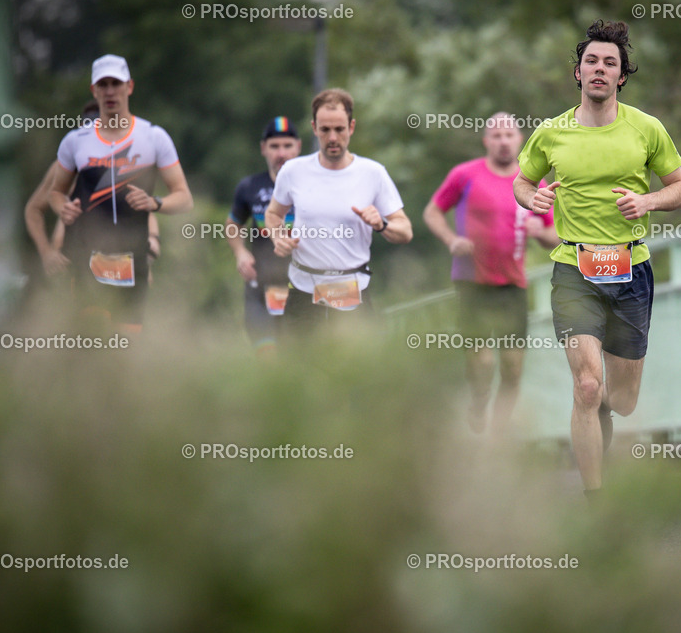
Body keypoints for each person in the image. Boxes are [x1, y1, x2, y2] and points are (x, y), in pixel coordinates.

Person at [513, 20, 681, 498]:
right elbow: (522, 180)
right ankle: (595, 499)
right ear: (577, 72)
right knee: (587, 387)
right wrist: (531, 199)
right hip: (574, 268)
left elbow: (680, 189)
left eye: (609, 63)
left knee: (623, 401)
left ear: (621, 77)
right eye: (591, 61)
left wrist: (648, 202)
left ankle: (607, 413)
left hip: (630, 269)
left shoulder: (646, 128)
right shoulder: (552, 133)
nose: (599, 69)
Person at [423, 112, 558, 438]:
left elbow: (556, 237)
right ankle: (479, 402)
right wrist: (452, 240)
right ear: (486, 141)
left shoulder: (532, 184)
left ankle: (496, 437)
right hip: (472, 282)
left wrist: (540, 230)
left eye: (508, 135)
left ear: (519, 139)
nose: (502, 141)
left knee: (512, 368)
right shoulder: (465, 175)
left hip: (512, 285)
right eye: (496, 136)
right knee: (483, 363)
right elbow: (433, 211)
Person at [48, 54, 192, 332]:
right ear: (94, 91)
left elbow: (184, 197)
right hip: (89, 257)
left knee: (127, 348)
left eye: (116, 83)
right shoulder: (76, 142)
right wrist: (61, 207)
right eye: (103, 84)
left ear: (130, 87)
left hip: (132, 260)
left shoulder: (153, 137)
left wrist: (155, 202)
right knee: (96, 345)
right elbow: (55, 193)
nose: (110, 91)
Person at [264, 88, 412, 334]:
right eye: (325, 130)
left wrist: (381, 225)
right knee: (298, 371)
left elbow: (405, 231)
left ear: (351, 127)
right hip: (303, 291)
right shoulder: (292, 171)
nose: (332, 137)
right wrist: (278, 237)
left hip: (352, 290)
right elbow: (273, 214)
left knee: (354, 371)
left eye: (339, 129)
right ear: (314, 128)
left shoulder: (373, 173)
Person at [25, 101, 161, 282]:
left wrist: (152, 241)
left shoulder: (127, 167)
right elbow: (33, 209)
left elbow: (144, 212)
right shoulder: (64, 167)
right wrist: (47, 254)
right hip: (71, 268)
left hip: (118, 266)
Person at [226, 116, 302, 353]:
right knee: (268, 357)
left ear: (298, 146)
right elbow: (232, 224)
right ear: (263, 149)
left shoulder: (312, 185)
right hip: (261, 290)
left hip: (302, 290)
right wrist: (240, 253)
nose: (281, 153)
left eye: (287, 146)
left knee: (300, 358)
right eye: (274, 146)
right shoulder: (249, 187)